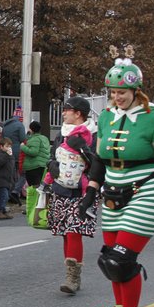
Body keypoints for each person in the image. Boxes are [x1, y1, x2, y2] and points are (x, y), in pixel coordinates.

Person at [83, 55, 154, 307]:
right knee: (109, 260)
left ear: (136, 91)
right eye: (112, 93)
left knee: (121, 259)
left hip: (145, 190)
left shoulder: (153, 119)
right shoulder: (106, 117)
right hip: (113, 191)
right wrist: (90, 192)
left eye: (122, 93)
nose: (117, 98)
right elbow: (99, 159)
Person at [43, 98, 98, 295]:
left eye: (67, 110)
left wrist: (83, 149)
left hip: (82, 190)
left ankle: (72, 277)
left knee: (74, 231)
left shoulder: (93, 134)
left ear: (78, 113)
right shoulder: (61, 133)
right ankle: (71, 274)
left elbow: (99, 164)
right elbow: (53, 155)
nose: (63, 113)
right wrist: (52, 166)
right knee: (65, 233)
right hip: (60, 189)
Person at [1, 106, 26, 201]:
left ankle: (7, 192)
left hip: (6, 151)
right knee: (16, 173)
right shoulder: (20, 125)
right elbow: (23, 139)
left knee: (9, 172)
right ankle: (14, 192)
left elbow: (2, 138)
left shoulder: (5, 125)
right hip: (16, 152)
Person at [0, 137, 16, 219]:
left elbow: (12, 167)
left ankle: (3, 210)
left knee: (6, 196)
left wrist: (14, 178)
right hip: (0, 179)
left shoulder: (10, 156)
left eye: (10, 146)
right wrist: (6, 155)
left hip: (8, 179)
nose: (9, 148)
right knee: (3, 195)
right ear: (1, 147)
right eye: (7, 146)